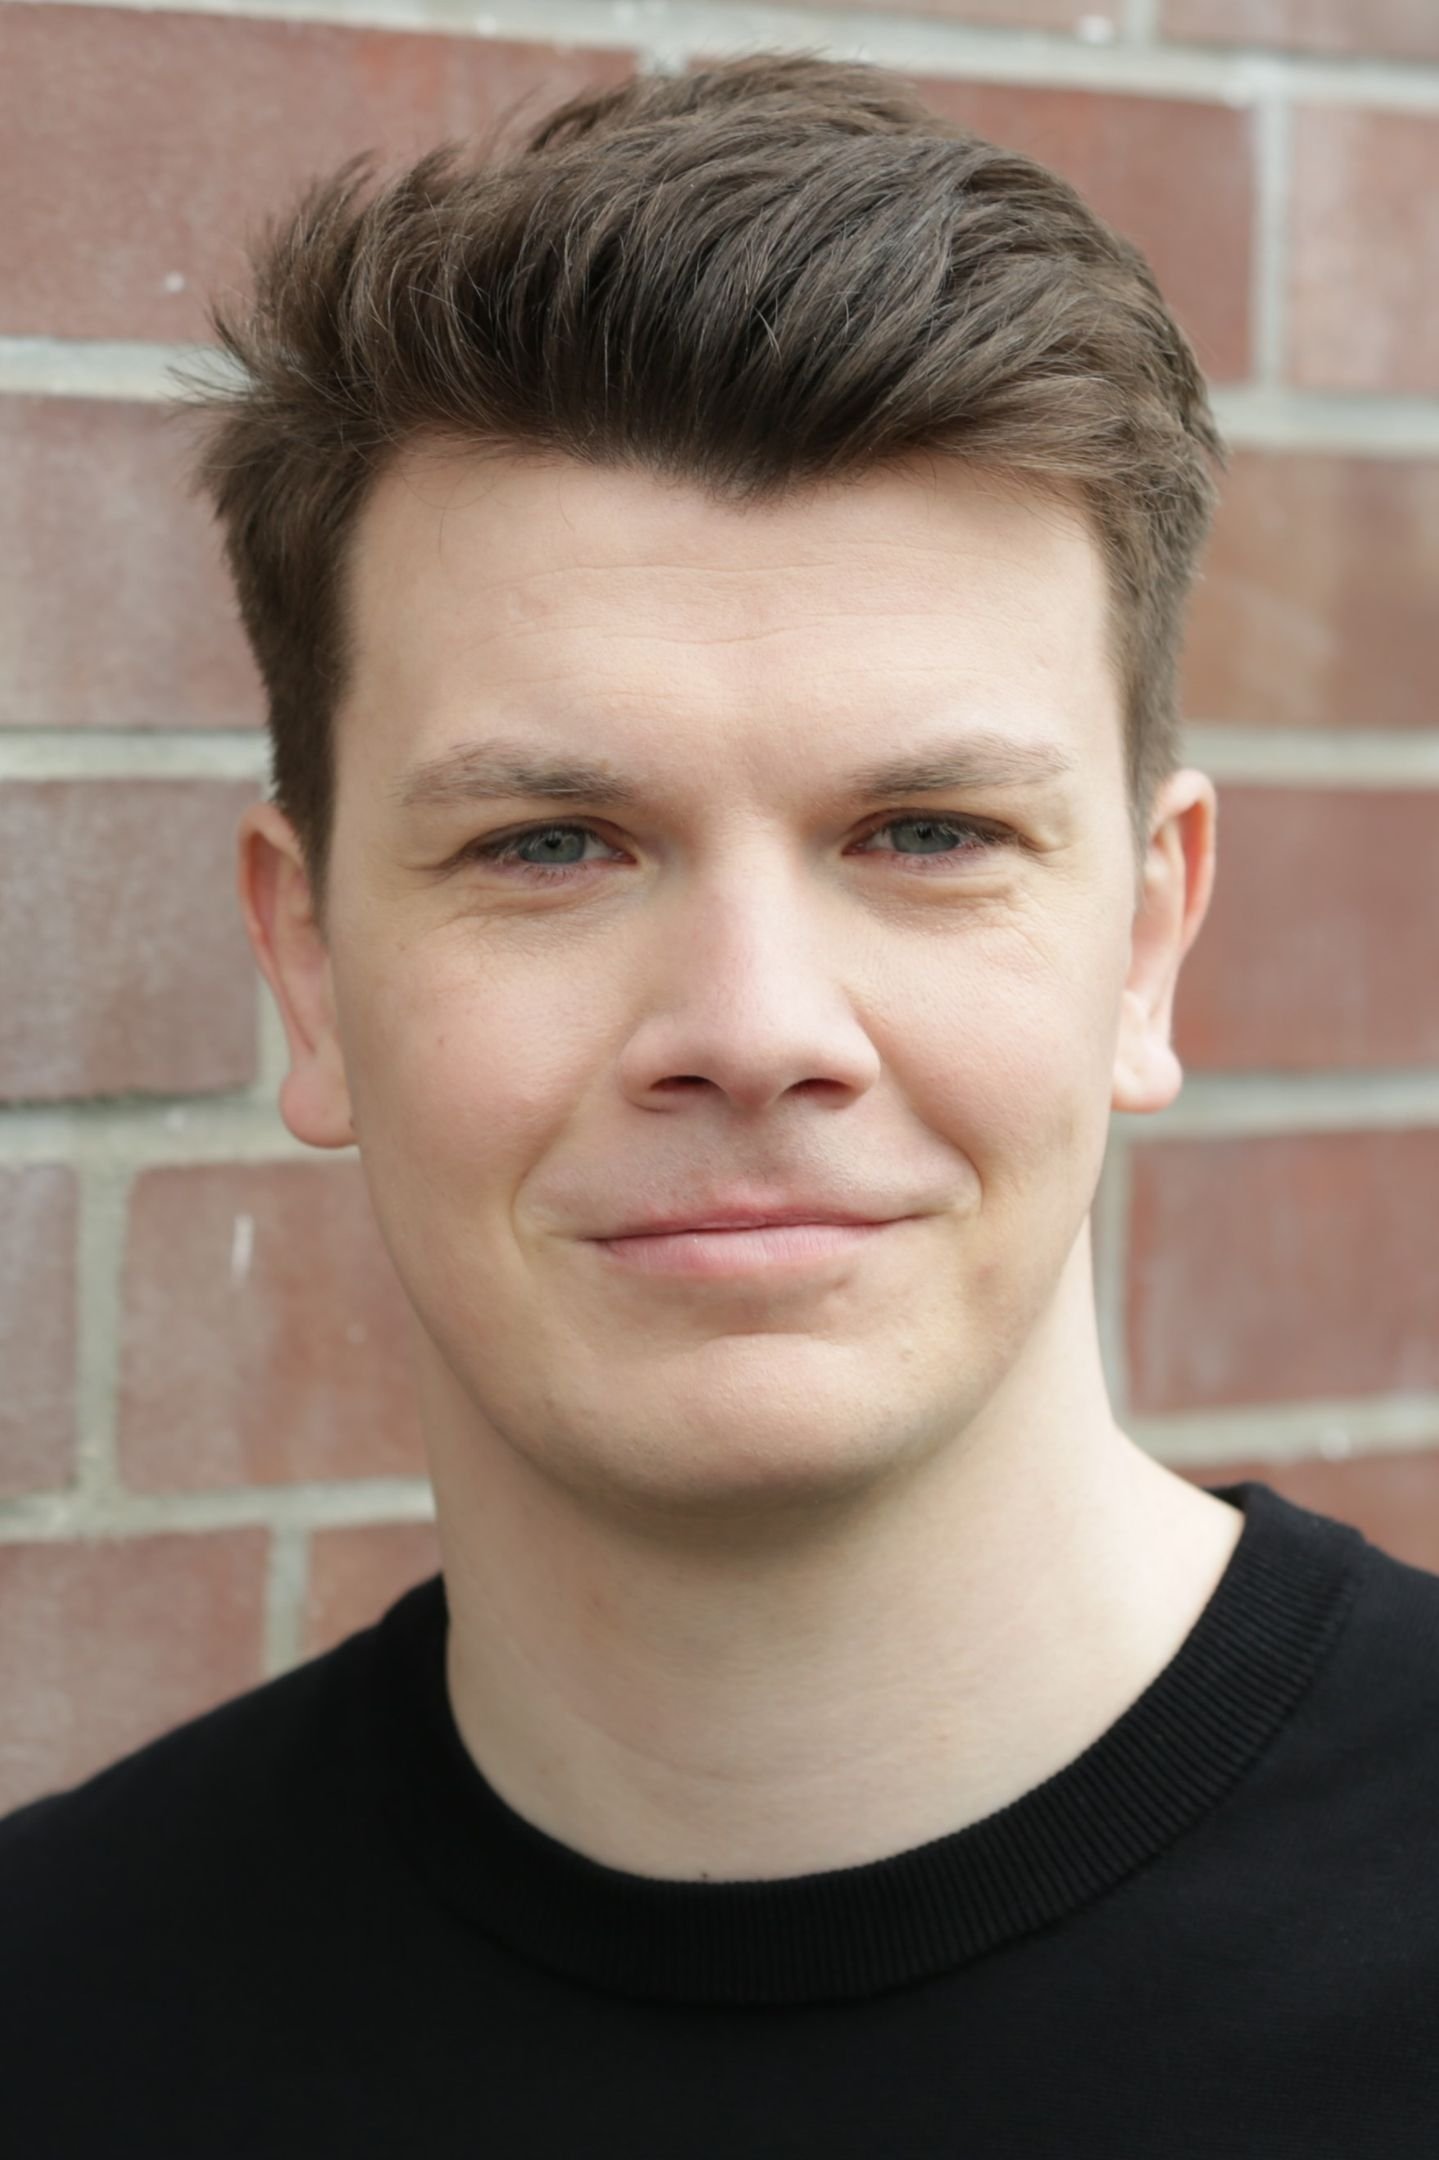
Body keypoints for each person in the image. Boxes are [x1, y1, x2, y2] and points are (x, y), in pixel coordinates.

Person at [3, 50, 1437, 2156]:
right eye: (552, 845)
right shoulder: (52, 2014)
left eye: (928, 834)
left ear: (1147, 937)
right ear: (307, 964)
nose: (755, 1030)